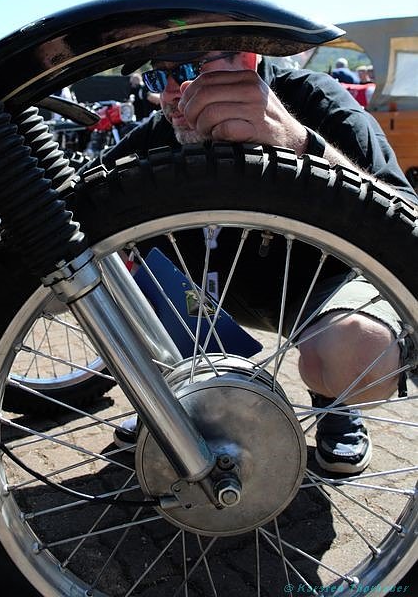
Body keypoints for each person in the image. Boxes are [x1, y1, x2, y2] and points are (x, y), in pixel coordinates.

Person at [103, 50, 417, 473]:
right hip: (208, 296)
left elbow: (406, 218)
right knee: (110, 284)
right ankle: (171, 404)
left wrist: (298, 141)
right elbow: (81, 205)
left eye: (190, 70)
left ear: (248, 59)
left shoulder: (313, 97)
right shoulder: (161, 129)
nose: (174, 93)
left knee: (357, 350)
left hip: (315, 287)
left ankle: (335, 406)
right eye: (159, 78)